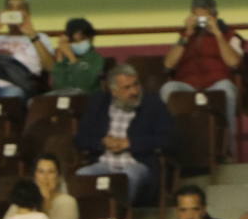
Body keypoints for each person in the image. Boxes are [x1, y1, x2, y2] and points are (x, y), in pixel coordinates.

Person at [74, 63, 175, 205]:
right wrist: (103, 142)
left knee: (128, 176)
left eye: (136, 85)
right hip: (104, 163)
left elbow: (168, 139)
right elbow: (80, 139)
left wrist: (130, 143)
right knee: (81, 176)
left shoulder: (153, 104)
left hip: (137, 164)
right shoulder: (99, 103)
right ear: (114, 91)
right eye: (127, 88)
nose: (134, 91)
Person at [159, 0, 244, 155]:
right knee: (168, 89)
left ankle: (229, 151)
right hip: (187, 84)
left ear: (214, 16)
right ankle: (170, 149)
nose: (201, 21)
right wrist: (186, 35)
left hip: (216, 84)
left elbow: (233, 63)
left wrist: (218, 34)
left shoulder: (230, 35)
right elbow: (168, 64)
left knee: (227, 89)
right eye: (196, 16)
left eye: (204, 16)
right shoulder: (184, 36)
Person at [49, 17, 105, 94]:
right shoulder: (65, 61)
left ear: (90, 38)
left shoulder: (96, 58)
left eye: (82, 39)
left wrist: (73, 59)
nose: (79, 43)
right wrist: (60, 59)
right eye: (75, 41)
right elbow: (59, 87)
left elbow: (85, 86)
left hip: (89, 100)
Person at [33, 154, 79, 219]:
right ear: (35, 177)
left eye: (51, 172)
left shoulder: (67, 202)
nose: (45, 177)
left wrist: (46, 201)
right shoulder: (24, 200)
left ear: (58, 177)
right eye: (41, 172)